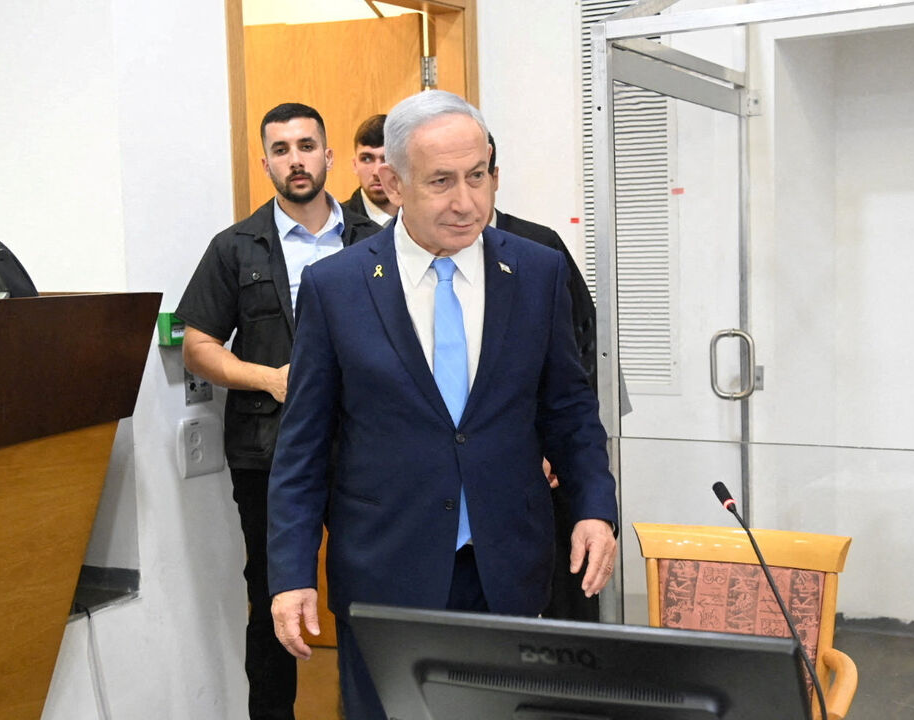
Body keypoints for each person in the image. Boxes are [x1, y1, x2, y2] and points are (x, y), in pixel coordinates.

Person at [267, 90, 619, 720]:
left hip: (506, 564)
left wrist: (594, 507)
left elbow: (569, 408)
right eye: (441, 182)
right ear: (393, 184)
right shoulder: (336, 286)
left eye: (478, 176)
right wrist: (292, 573)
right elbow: (303, 446)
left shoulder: (537, 272)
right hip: (386, 569)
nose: (467, 202)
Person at [175, 102, 379, 720]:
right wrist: (269, 378)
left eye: (306, 146)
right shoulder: (235, 248)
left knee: (370, 594)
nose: (296, 160)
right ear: (264, 162)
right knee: (272, 596)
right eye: (281, 149)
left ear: (328, 156)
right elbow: (197, 345)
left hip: (368, 452)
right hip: (269, 453)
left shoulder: (376, 242)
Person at [485, 132, 600, 622]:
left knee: (559, 595)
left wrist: (555, 446)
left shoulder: (539, 247)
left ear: (494, 177)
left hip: (545, 459)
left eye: (477, 174)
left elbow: (582, 350)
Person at [340, 114, 396, 227]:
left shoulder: (425, 217)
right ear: (355, 165)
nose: (376, 172)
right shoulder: (337, 224)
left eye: (386, 159)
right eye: (366, 159)